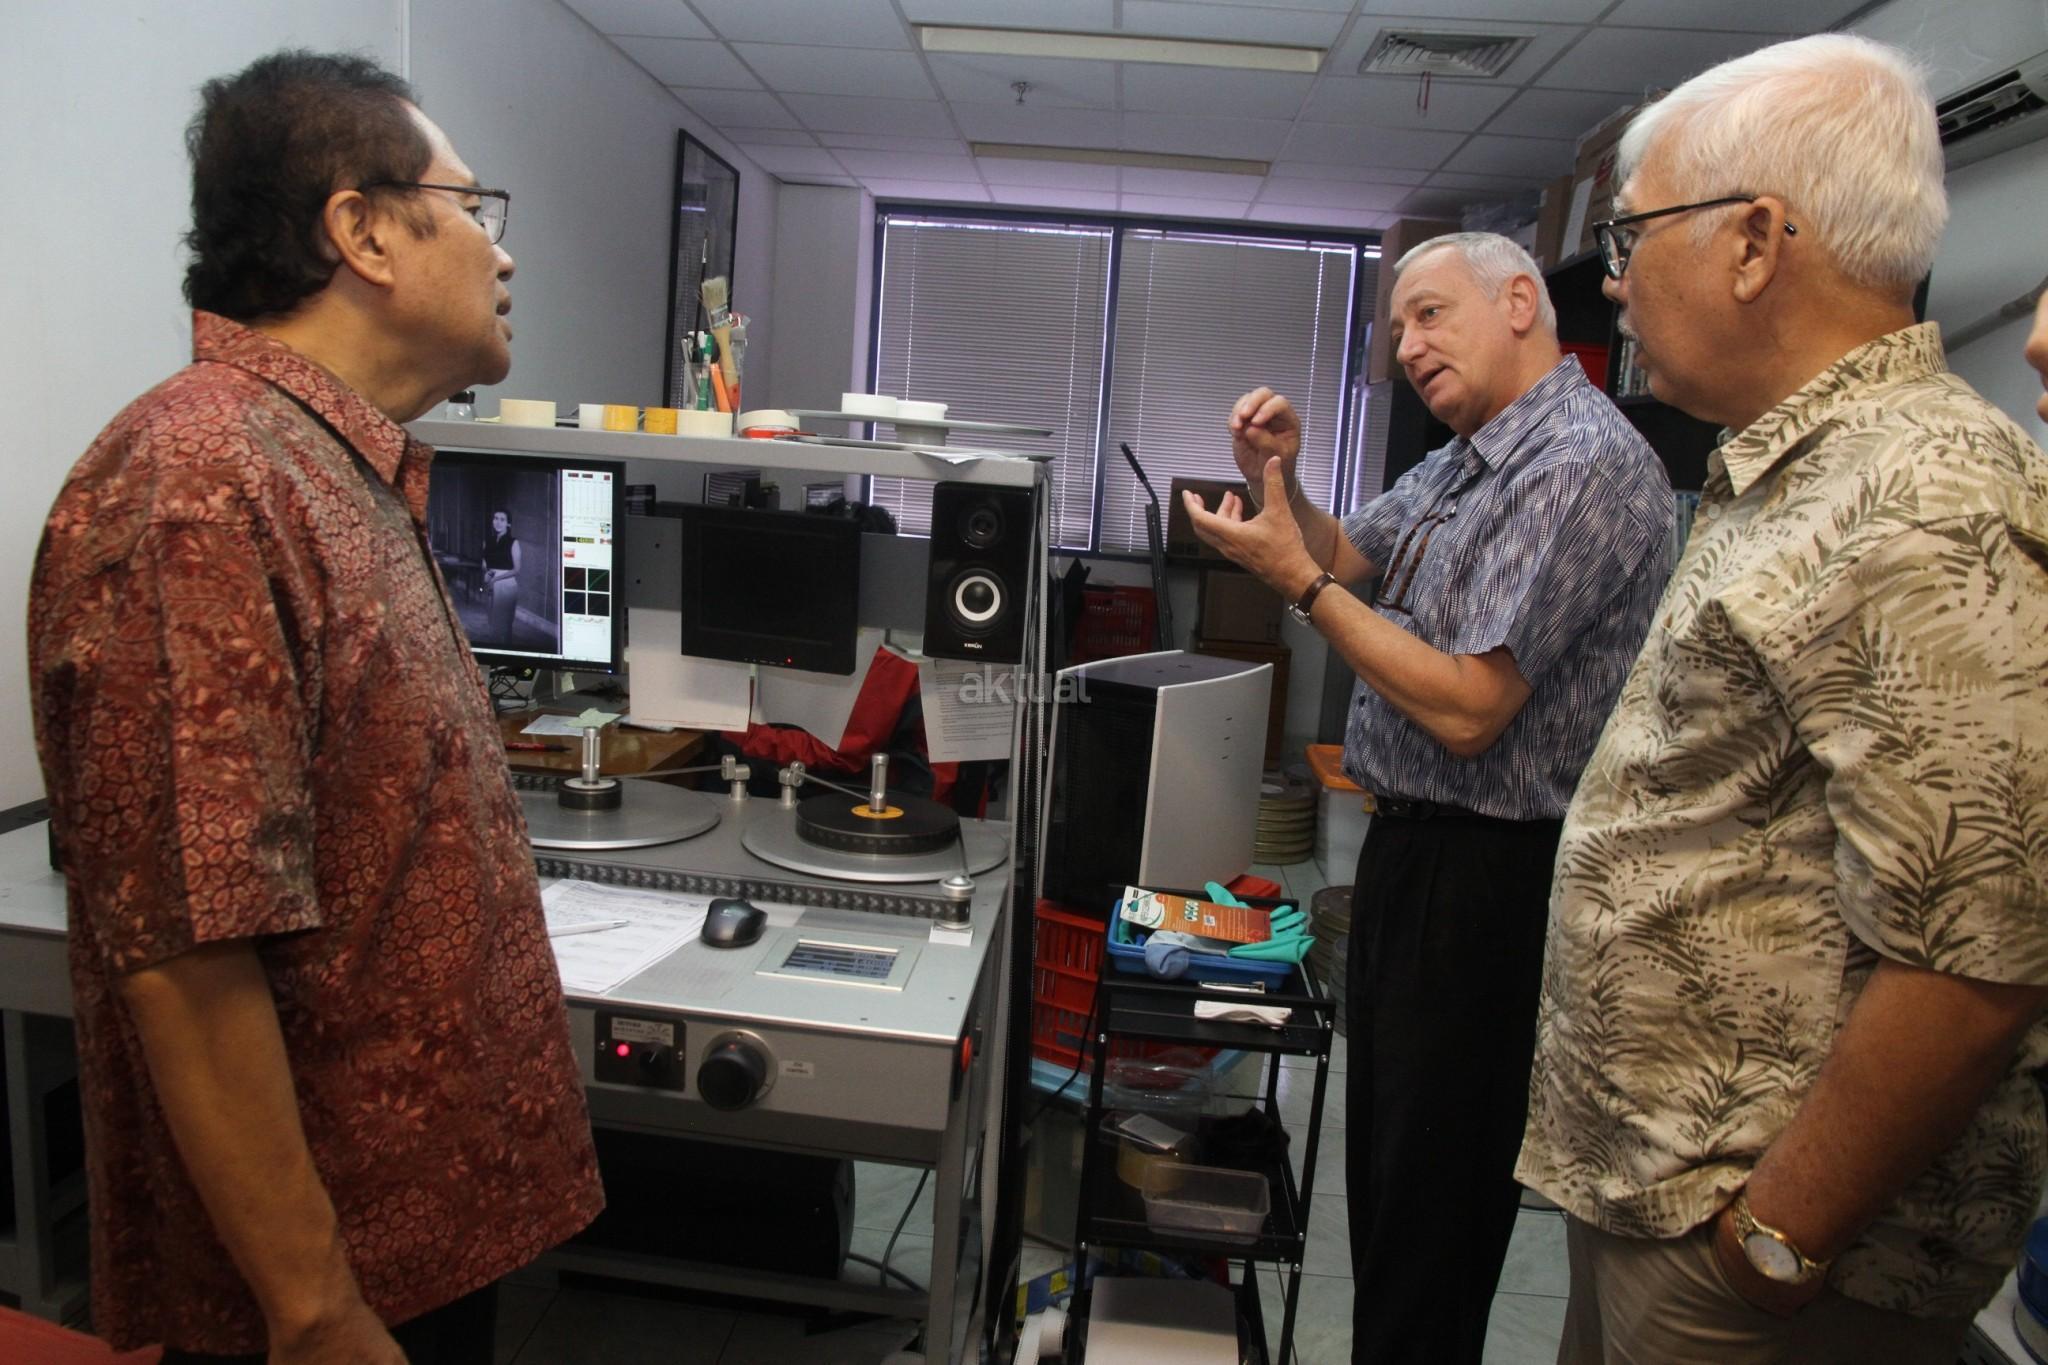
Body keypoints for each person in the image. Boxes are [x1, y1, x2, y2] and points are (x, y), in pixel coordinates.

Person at [27, 51, 603, 1363]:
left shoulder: (324, 468)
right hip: (323, 1296)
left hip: (413, 1240)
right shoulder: (200, 485)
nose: (503, 253)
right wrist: (315, 1308)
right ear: (363, 231)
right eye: (473, 207)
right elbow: (190, 953)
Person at [1516, 34, 2048, 1364]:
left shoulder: (1925, 495)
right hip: (1660, 1195)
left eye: (1633, 236)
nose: (1614, 280)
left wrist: (1774, 1240)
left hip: (1764, 1260)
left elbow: (1975, 957)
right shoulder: (1799, 466)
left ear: (1753, 242)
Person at [1182, 232, 1673, 1364]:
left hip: (1491, 877)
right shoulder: (1468, 458)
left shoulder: (1576, 463)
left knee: (1433, 1224)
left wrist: (1297, 585)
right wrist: (1281, 483)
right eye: (1397, 327)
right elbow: (1348, 555)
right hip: (1412, 859)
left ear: (1518, 303)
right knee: (1392, 1195)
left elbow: (1468, 708)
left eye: (1429, 315)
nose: (1406, 346)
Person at [482, 507, 522, 638]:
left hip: (506, 584)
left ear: (508, 524)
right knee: (492, 623)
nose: (498, 522)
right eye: (495, 518)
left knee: (504, 625)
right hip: (491, 583)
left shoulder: (513, 542)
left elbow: (516, 569)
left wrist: (495, 579)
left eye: (502, 519)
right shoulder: (488, 541)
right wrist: (487, 573)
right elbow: (485, 563)